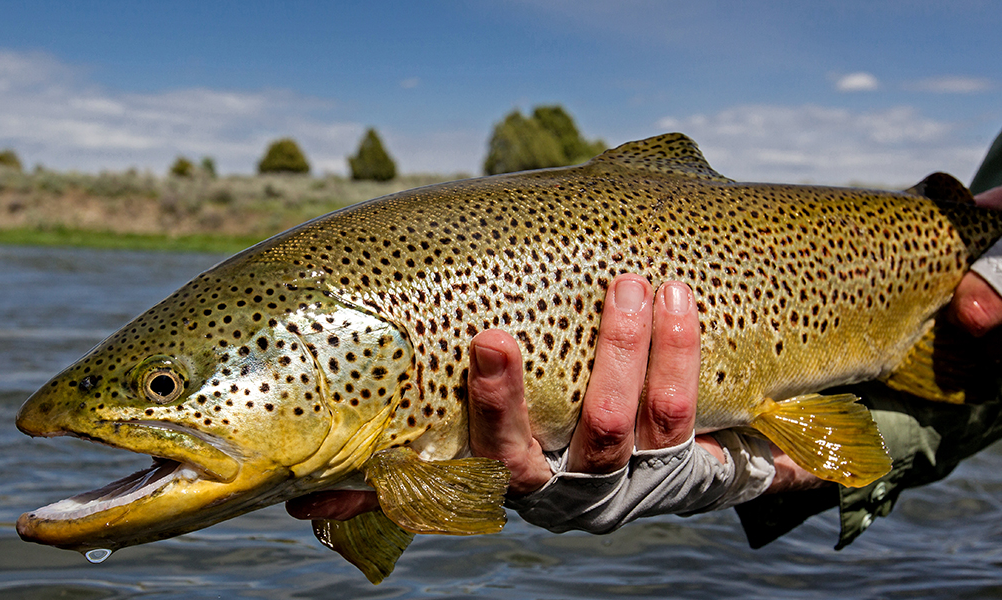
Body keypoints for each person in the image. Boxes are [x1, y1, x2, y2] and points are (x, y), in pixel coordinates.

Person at [288, 159, 1002, 548]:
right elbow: (462, 501)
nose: (169, 408)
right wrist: (741, 472)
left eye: (167, 386)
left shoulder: (946, 250)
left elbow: (977, 316)